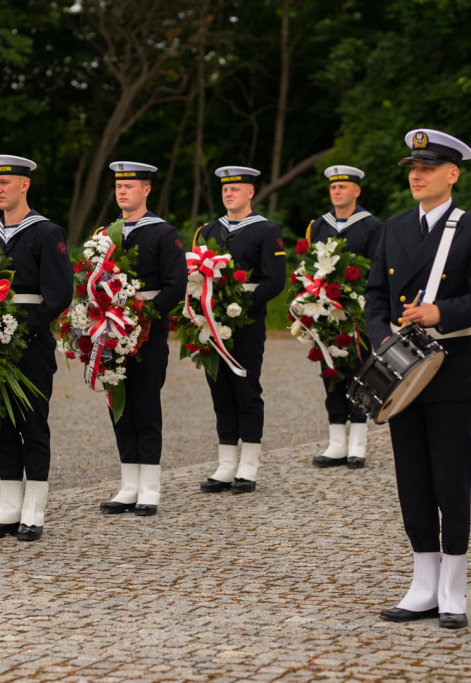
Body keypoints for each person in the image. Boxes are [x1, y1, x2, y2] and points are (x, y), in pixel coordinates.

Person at [365, 130, 471, 628]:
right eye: (412, 167)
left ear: (453, 174)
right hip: (400, 369)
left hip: (448, 368)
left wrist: (438, 311)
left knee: (450, 476)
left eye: (427, 168)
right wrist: (382, 338)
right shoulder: (394, 227)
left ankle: (454, 585)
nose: (416, 175)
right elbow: (375, 298)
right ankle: (422, 580)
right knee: (412, 477)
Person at [0, 155, 72, 542]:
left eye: (6, 183)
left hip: (29, 341)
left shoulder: (46, 232)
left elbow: (60, 294)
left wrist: (18, 330)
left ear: (24, 185)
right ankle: (9, 507)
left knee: (32, 423)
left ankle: (34, 510)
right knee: (1, 425)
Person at [97, 161, 186, 517]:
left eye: (130, 186)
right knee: (119, 405)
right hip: (110, 333)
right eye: (119, 186)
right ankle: (128, 484)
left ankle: (149, 486)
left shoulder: (164, 233)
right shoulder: (106, 234)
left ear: (146, 190)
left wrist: (142, 319)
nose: (122, 191)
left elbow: (175, 285)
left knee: (145, 406)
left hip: (147, 332)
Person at [196, 166, 286, 494]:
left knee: (246, 389)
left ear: (250, 192)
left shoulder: (265, 230)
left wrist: (240, 304)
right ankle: (226, 463)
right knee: (219, 388)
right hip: (212, 323)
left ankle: (248, 465)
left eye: (236, 189)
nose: (229, 193)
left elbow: (275, 280)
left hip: (246, 322)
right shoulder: (209, 231)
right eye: (225, 189)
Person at [305, 165, 383, 469]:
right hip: (326, 312)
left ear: (356, 191)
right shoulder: (318, 226)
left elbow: (377, 269)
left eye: (343, 187)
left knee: (360, 373)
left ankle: (358, 444)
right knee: (330, 373)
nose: (337, 191)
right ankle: (336, 442)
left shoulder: (373, 226)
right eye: (333, 187)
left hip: (359, 313)